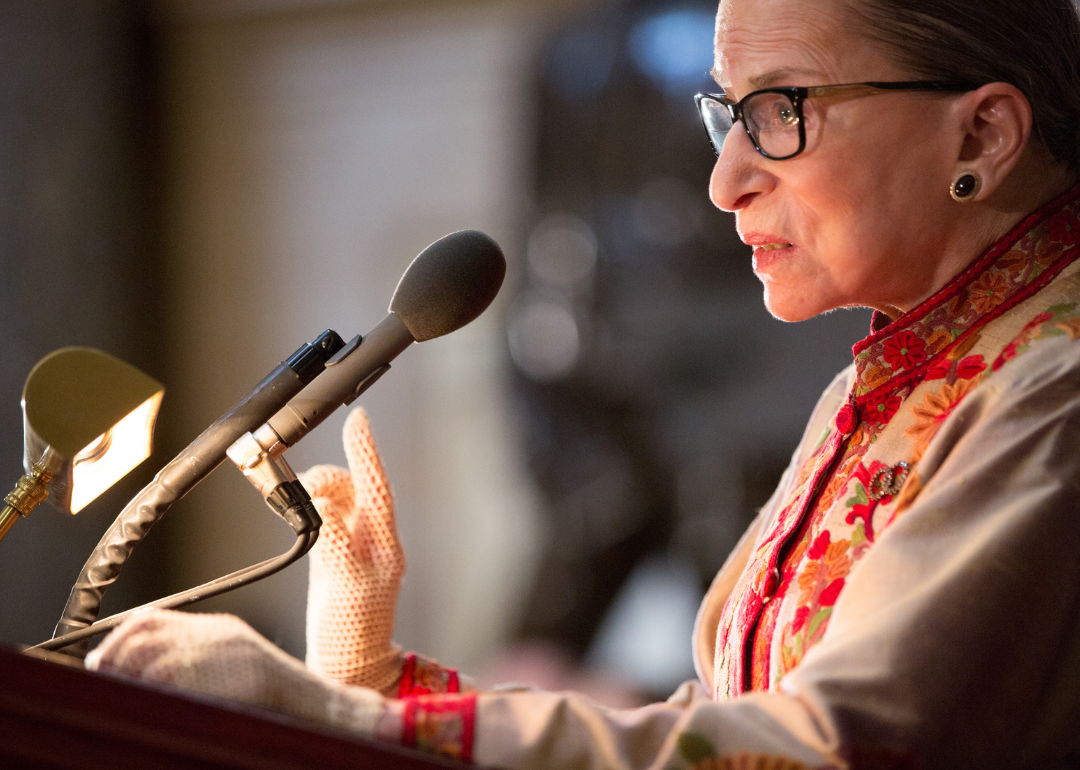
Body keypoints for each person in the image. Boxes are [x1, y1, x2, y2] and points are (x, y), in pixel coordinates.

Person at [83, 0, 1080, 766]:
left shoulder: (1053, 387)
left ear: (982, 135)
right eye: (725, 115)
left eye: (780, 110)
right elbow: (722, 727)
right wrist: (376, 683)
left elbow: (825, 749)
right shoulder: (899, 375)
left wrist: (343, 715)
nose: (724, 179)